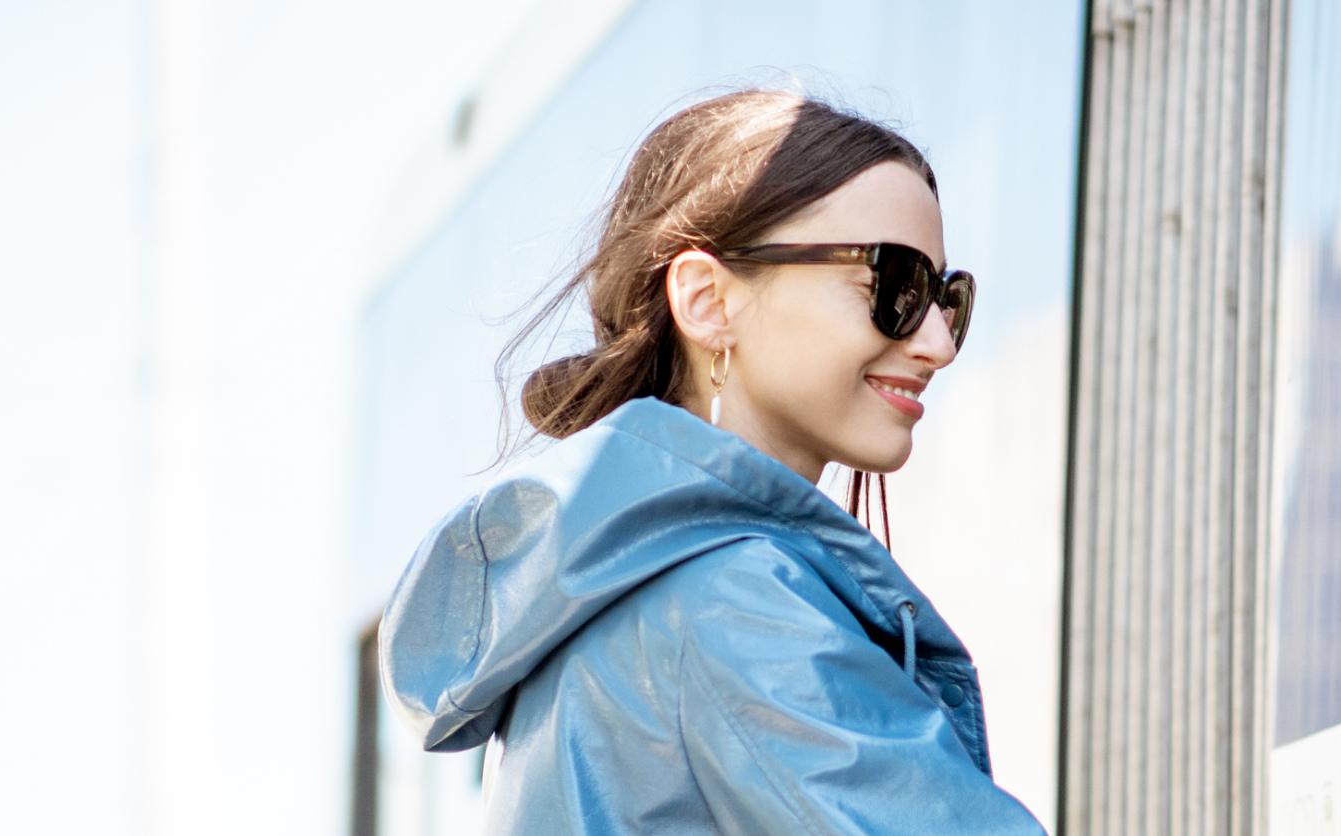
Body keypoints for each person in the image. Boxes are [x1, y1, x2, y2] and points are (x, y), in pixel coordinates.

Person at [378, 90, 1042, 835]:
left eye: (947, 298)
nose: (939, 344)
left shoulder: (607, 585)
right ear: (707, 301)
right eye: (895, 285)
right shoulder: (734, 597)